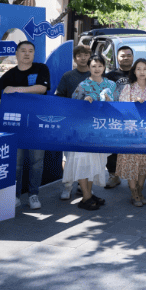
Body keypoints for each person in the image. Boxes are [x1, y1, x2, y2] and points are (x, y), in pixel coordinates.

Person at [0, 40, 51, 210]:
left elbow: (41, 89)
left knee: (36, 162)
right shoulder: (8, 76)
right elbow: (0, 102)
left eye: (30, 51)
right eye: (23, 50)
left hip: (36, 124)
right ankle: (15, 195)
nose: (27, 53)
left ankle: (33, 194)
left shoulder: (41, 69)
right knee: (15, 163)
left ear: (34, 54)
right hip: (14, 125)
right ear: (16, 54)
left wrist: (16, 89)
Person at [68, 54, 116, 211]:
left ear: (104, 67)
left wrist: (110, 102)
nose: (97, 69)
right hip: (84, 130)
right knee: (83, 161)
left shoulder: (111, 85)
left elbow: (118, 106)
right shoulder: (83, 85)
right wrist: (84, 102)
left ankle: (89, 193)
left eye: (100, 66)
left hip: (102, 131)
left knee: (95, 163)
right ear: (89, 67)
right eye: (94, 66)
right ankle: (86, 197)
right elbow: (73, 105)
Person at [116, 59, 146, 207]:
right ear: (134, 72)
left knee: (143, 163)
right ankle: (134, 193)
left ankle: (140, 190)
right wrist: (134, 103)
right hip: (131, 133)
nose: (142, 72)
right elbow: (122, 109)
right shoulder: (128, 88)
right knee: (131, 163)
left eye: (145, 69)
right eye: (138, 69)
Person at [55, 45, 91, 200]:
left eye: (86, 55)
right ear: (75, 58)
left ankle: (84, 187)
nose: (83, 58)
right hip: (71, 122)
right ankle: (67, 186)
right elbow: (59, 97)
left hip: (90, 123)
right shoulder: (68, 76)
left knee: (87, 156)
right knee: (68, 156)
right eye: (79, 55)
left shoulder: (95, 75)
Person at [104, 45, 134, 190]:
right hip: (115, 117)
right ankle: (113, 175)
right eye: (122, 55)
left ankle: (132, 177)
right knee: (113, 147)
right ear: (117, 58)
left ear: (133, 57)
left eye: (128, 55)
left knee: (132, 147)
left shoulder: (138, 73)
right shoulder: (110, 76)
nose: (125, 58)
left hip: (134, 117)